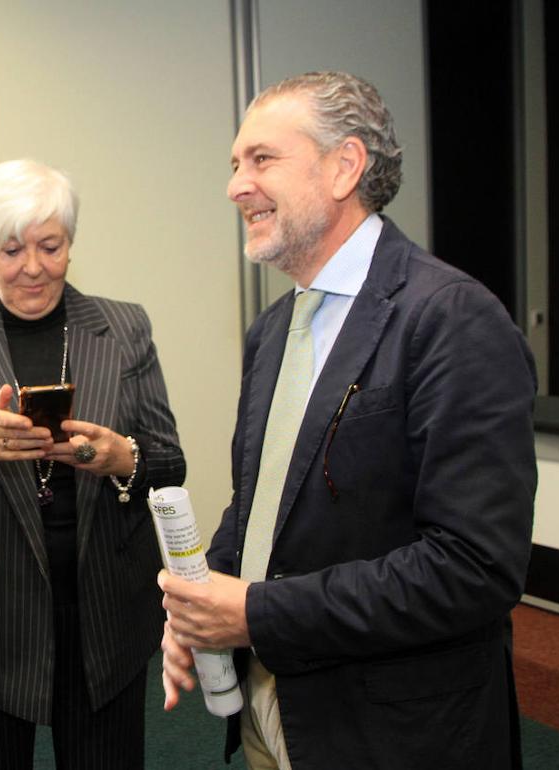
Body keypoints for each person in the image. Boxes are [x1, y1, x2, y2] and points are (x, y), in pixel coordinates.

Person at [158, 72, 537, 769]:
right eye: (235, 164)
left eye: (262, 159)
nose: (236, 186)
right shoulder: (271, 331)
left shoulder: (453, 319)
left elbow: (474, 568)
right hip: (275, 717)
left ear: (345, 167)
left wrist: (257, 614)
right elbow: (262, 503)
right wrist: (203, 601)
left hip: (396, 733)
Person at [0, 158, 186, 769]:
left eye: (49, 246)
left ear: (71, 243)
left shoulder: (123, 328)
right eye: (10, 250)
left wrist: (119, 456)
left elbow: (169, 460)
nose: (32, 267)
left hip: (103, 612)